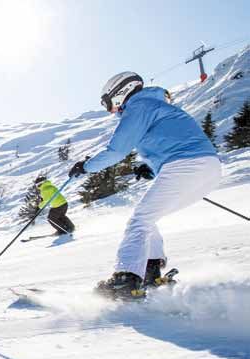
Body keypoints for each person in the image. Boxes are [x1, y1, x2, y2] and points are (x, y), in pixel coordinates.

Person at [68, 71, 220, 299]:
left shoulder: (139, 106)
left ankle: (126, 279)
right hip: (207, 168)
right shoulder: (155, 105)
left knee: (139, 220)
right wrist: (153, 168)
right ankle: (150, 271)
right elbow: (173, 140)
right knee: (148, 218)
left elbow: (117, 151)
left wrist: (86, 166)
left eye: (108, 103)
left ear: (120, 93)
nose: (111, 110)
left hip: (186, 166)